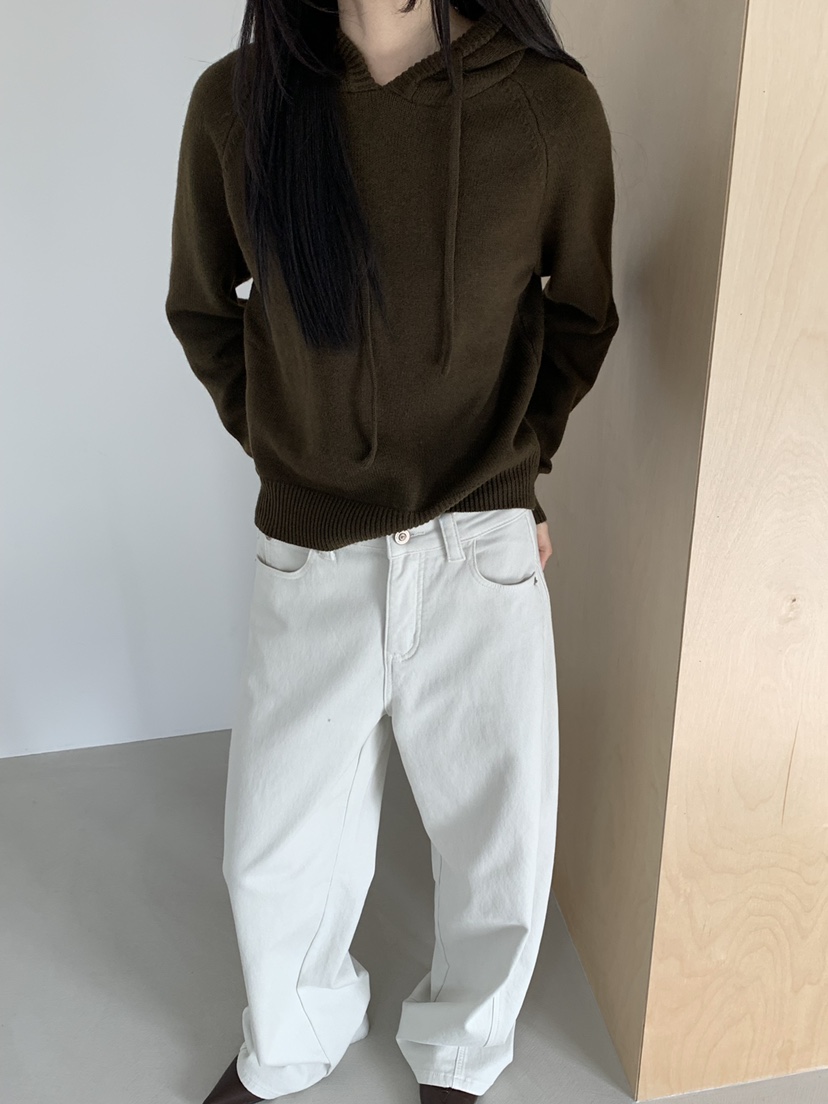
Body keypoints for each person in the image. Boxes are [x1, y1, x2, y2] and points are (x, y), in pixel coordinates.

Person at [164, 0, 619, 1100]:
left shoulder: (547, 109)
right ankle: (293, 1037)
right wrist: (288, 445)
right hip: (313, 546)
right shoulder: (237, 107)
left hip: (478, 545)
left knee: (500, 840)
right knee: (273, 848)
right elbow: (204, 308)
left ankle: (463, 1048)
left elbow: (580, 314)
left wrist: (519, 468)